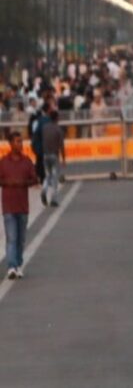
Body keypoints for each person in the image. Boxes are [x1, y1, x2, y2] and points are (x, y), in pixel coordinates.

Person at [0, 131, 38, 279]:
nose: (20, 144)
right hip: (8, 206)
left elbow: (34, 179)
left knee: (21, 238)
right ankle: (11, 266)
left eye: (21, 141)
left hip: (23, 206)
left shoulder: (27, 161)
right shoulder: (3, 162)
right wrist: (8, 183)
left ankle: (18, 263)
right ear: (10, 144)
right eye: (17, 141)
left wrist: (23, 183)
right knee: (11, 237)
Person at [40, 111, 65, 207]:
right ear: (57, 118)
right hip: (54, 155)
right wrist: (63, 158)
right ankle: (54, 198)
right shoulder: (58, 129)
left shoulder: (44, 128)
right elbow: (61, 145)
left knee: (47, 175)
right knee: (54, 177)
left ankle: (44, 189)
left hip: (45, 154)